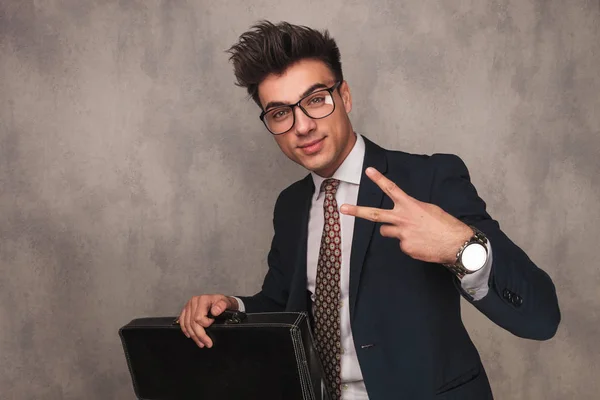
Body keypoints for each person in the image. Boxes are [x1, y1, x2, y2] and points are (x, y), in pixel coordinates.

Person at [178, 21, 560, 399]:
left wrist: (461, 248)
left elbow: (541, 318)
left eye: (315, 100)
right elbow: (283, 306)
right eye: (280, 113)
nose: (303, 126)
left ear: (344, 96)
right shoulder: (291, 206)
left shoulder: (428, 179)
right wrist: (234, 306)